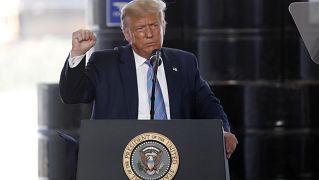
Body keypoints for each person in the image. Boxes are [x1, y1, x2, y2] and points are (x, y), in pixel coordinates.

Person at [59, 0, 237, 158]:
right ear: (127, 34)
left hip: (176, 154)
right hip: (118, 155)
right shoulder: (105, 63)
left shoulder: (184, 62)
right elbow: (71, 95)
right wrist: (78, 54)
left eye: (154, 26)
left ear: (163, 27)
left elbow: (209, 104)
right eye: (141, 28)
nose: (150, 34)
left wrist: (221, 131)